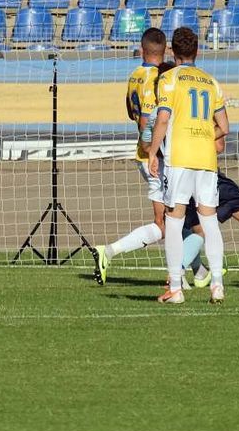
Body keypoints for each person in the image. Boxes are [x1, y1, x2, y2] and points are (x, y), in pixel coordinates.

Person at [148, 28, 229, 305]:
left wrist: (152, 152)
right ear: (197, 51)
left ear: (173, 51)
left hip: (180, 158)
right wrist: (206, 137)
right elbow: (225, 127)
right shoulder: (211, 82)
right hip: (206, 158)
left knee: (174, 220)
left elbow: (162, 119)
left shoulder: (169, 79)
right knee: (209, 220)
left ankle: (175, 287)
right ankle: (217, 284)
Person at [91, 28, 168, 285]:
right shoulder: (156, 79)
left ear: (142, 48)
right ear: (165, 50)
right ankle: (109, 252)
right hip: (154, 157)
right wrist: (153, 151)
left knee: (177, 216)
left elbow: (129, 112)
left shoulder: (135, 75)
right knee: (166, 223)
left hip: (144, 154)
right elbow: (147, 121)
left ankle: (199, 272)